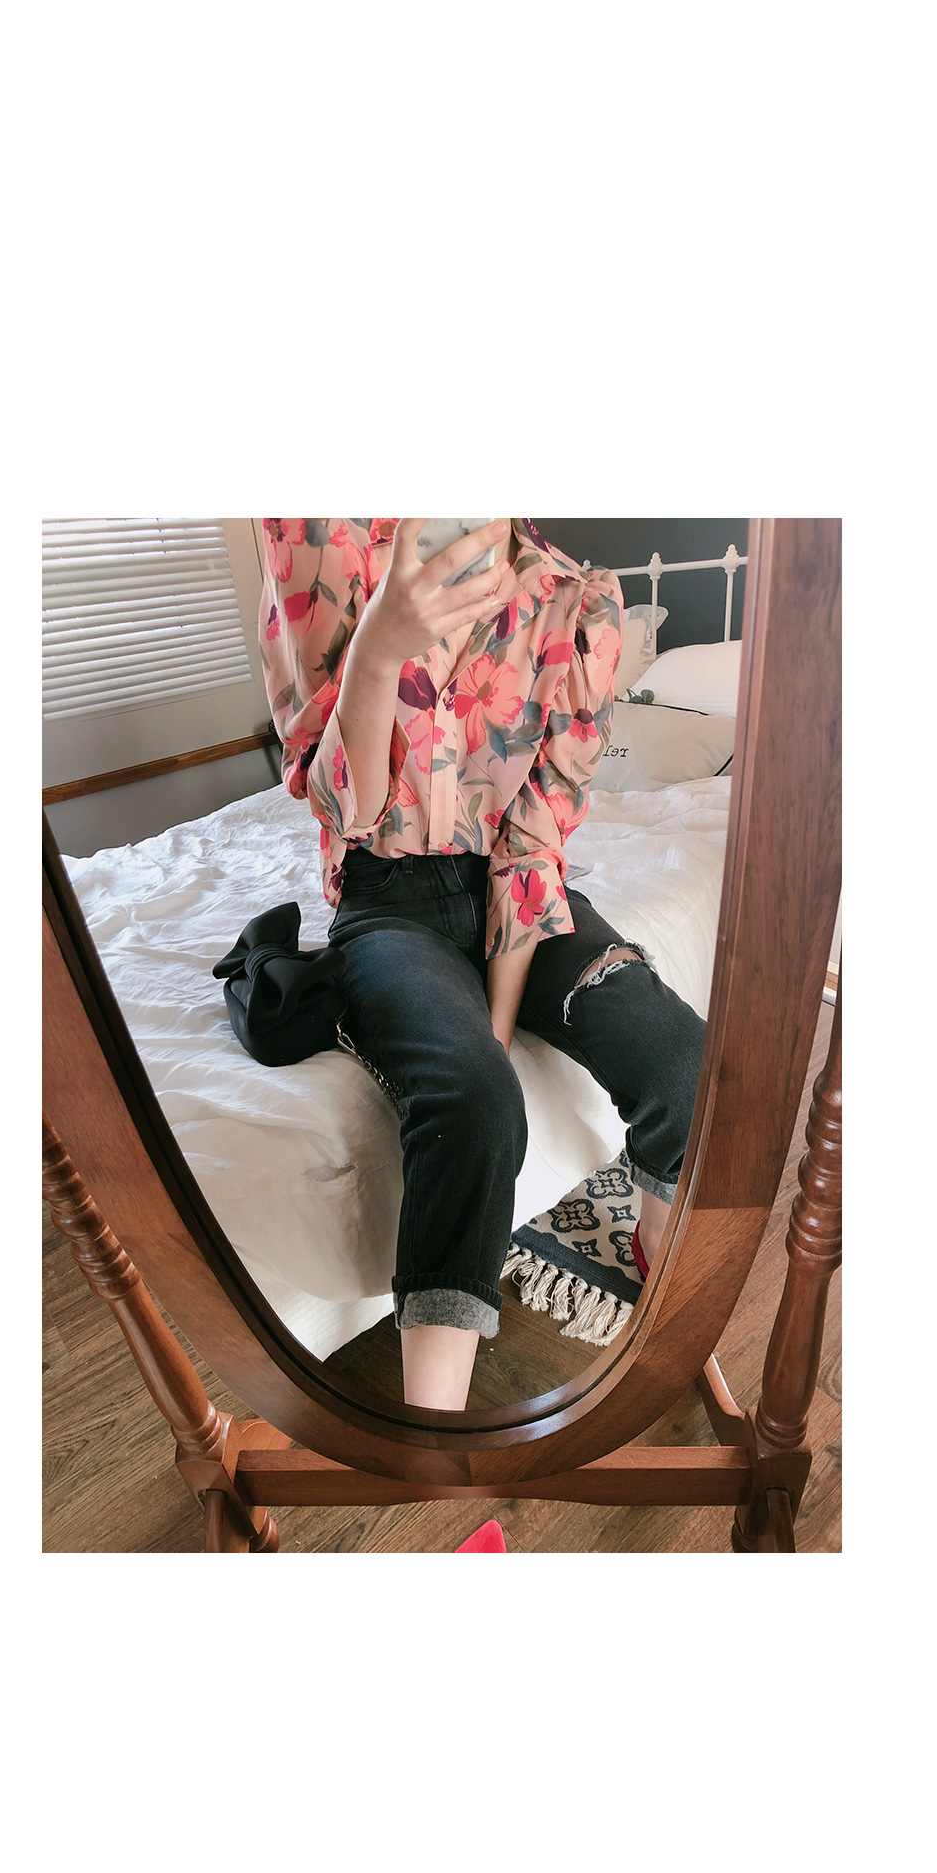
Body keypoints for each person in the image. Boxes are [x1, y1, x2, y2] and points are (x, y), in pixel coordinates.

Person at [255, 520, 704, 1416]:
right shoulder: (320, 539)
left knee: (683, 1061)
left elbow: (532, 844)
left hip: (517, 889)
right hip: (386, 896)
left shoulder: (576, 603)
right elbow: (346, 812)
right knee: (476, 1104)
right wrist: (377, 651)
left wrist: (494, 1025)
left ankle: (657, 1262)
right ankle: (435, 1444)